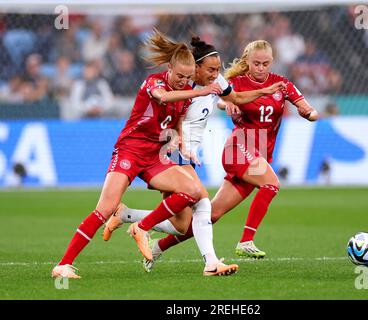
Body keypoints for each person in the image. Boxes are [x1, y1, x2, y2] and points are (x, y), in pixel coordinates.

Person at [103, 39, 316, 271]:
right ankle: (212, 261)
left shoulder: (216, 80)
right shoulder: (182, 88)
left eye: (218, 69)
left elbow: (232, 97)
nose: (216, 74)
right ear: (195, 68)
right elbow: (169, 116)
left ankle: (128, 216)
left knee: (183, 224)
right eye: (211, 70)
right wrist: (178, 142)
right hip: (173, 150)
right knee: (203, 202)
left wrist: (239, 98)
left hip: (191, 152)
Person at [51, 29, 236, 279]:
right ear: (169, 67)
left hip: (154, 155)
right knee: (104, 209)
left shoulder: (183, 95)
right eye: (180, 75)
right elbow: (165, 96)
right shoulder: (155, 83)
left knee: (193, 192)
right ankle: (63, 264)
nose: (183, 80)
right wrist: (200, 91)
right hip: (130, 149)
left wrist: (180, 144)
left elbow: (177, 121)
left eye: (188, 77)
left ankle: (141, 226)